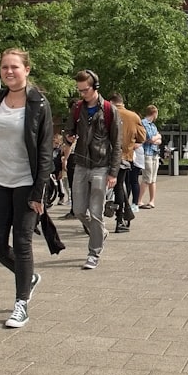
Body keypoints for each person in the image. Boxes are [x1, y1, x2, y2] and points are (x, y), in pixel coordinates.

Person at [0, 48, 53, 329]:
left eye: (15, 67)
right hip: (0, 182)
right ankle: (27, 276)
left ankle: (21, 304)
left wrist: (39, 193)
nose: (9, 71)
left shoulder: (38, 103)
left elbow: (44, 151)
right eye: (5, 67)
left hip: (27, 183)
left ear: (27, 70)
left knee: (22, 242)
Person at [65, 70, 121, 270]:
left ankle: (93, 253)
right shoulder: (77, 108)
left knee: (96, 212)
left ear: (95, 87)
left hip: (101, 165)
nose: (82, 94)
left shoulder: (108, 110)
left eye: (85, 90)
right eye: (79, 90)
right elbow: (68, 130)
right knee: (79, 210)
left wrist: (113, 172)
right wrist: (68, 137)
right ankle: (100, 232)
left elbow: (117, 142)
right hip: (81, 164)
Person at [108, 93, 144, 233]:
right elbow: (142, 136)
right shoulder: (133, 116)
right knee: (119, 187)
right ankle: (119, 220)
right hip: (124, 157)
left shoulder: (107, 113)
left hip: (105, 157)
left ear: (111, 102)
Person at [139, 105, 161, 209]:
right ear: (154, 113)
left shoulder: (153, 125)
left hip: (154, 153)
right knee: (147, 177)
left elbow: (158, 140)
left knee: (153, 178)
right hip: (147, 153)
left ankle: (152, 200)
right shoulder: (144, 123)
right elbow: (150, 138)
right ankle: (139, 200)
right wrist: (157, 137)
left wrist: (156, 138)